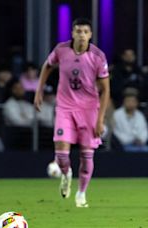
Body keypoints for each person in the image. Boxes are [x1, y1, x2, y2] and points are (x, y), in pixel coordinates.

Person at [34, 18, 110, 208]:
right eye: (78, 31)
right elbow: (47, 66)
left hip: (89, 110)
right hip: (65, 107)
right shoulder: (61, 50)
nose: (81, 35)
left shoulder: (98, 56)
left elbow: (106, 89)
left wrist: (101, 119)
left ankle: (81, 193)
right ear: (72, 33)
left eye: (85, 31)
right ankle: (66, 174)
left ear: (90, 35)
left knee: (86, 155)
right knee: (61, 154)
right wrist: (39, 90)